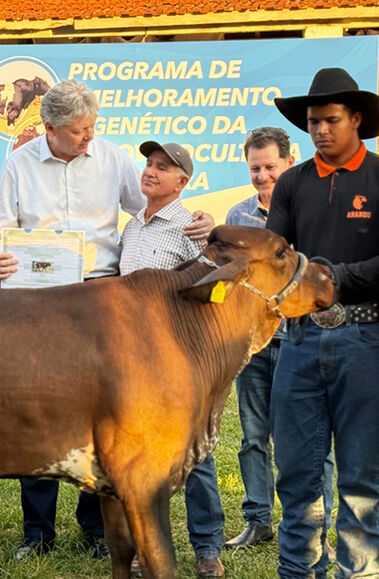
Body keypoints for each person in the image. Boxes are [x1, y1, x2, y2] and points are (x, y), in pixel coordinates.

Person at [0, 79, 214, 560]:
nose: (90, 137)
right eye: (80, 131)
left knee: (103, 414)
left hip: (103, 299)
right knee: (36, 410)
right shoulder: (19, 164)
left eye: (92, 128)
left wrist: (199, 223)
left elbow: (153, 210)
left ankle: (94, 528)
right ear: (50, 128)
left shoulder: (112, 159)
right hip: (38, 303)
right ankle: (37, 533)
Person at [267, 68, 379, 577]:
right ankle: (298, 571)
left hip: (368, 336)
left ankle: (358, 571)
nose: (320, 131)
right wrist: (310, 282)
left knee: (359, 477)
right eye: (312, 122)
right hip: (301, 337)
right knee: (295, 474)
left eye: (331, 120)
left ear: (357, 119)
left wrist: (336, 277)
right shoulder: (292, 182)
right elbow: (277, 258)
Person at [223, 127, 335, 553]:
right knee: (253, 435)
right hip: (253, 344)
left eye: (271, 166)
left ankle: (314, 523)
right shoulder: (237, 217)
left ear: (290, 162)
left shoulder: (315, 210)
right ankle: (258, 520)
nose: (263, 175)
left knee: (311, 439)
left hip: (301, 340)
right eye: (255, 168)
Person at [119, 141, 225, 578]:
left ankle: (207, 548)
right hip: (130, 359)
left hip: (175, 359)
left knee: (193, 455)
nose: (151, 171)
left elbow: (213, 293)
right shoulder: (130, 227)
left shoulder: (193, 229)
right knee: (140, 457)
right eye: (149, 164)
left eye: (164, 168)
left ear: (183, 182)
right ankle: (146, 548)